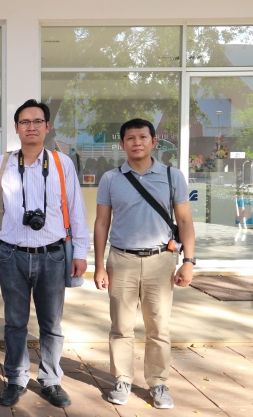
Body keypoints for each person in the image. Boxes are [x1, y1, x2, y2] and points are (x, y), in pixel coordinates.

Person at [0, 99, 90, 409]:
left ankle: (51, 380)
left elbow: (76, 210)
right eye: (25, 122)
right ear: (16, 128)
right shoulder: (1, 164)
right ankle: (16, 378)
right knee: (14, 323)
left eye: (37, 121)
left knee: (51, 324)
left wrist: (81, 252)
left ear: (47, 126)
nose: (31, 127)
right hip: (11, 255)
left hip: (52, 256)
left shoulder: (61, 163)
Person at [94, 118, 195, 409]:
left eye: (142, 137)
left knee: (159, 327)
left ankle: (158, 383)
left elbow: (185, 220)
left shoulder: (172, 175)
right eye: (130, 138)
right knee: (121, 326)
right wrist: (99, 265)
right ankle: (122, 379)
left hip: (160, 261)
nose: (136, 142)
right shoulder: (111, 178)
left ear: (153, 141)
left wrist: (188, 261)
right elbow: (101, 223)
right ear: (122, 144)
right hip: (121, 260)